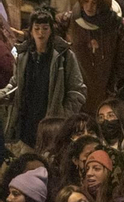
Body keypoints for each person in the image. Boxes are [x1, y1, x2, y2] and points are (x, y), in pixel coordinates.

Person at [3, 8, 87, 147]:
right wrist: (4, 94)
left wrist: (63, 116)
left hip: (52, 125)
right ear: (30, 30)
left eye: (45, 28)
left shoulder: (64, 55)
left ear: (51, 30)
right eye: (37, 28)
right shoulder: (23, 55)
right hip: (26, 125)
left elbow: (77, 91)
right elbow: (15, 82)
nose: (41, 33)